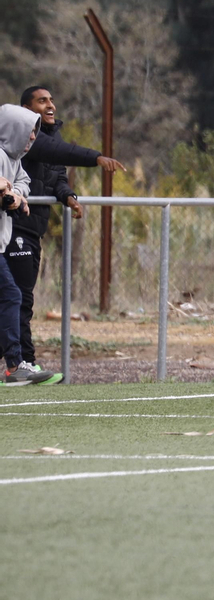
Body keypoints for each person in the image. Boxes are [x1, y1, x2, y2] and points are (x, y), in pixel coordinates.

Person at [11, 85, 126, 378]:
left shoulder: (51, 136)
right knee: (17, 298)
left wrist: (69, 197)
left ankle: (20, 365)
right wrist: (95, 157)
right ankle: (22, 364)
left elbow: (57, 176)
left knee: (18, 297)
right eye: (42, 101)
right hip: (14, 226)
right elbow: (54, 151)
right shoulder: (23, 136)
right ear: (26, 109)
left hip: (33, 227)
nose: (50, 105)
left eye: (51, 100)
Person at [0, 104, 56, 385]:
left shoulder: (14, 159)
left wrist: (15, 194)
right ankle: (14, 365)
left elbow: (22, 181)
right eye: (29, 130)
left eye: (35, 131)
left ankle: (14, 364)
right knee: (11, 295)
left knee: (10, 296)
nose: (33, 137)